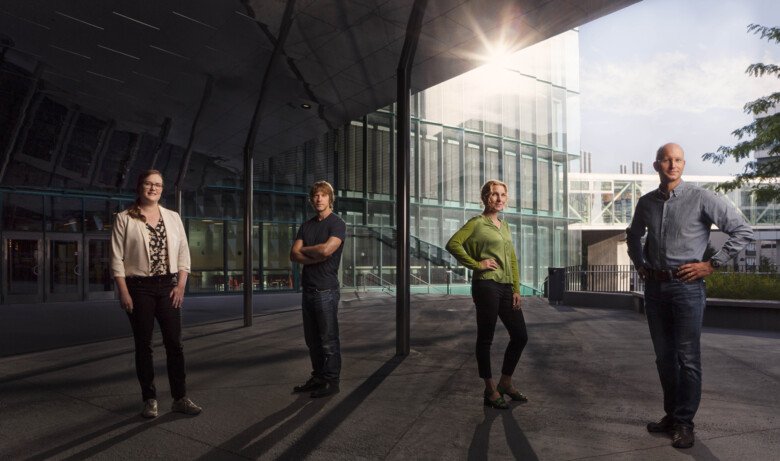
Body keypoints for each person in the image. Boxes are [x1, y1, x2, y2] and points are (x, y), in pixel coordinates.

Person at [626, 143, 753, 448]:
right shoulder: (645, 203)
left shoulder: (701, 197)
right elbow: (633, 234)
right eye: (667, 160)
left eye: (678, 160)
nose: (673, 164)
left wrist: (712, 264)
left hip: (687, 289)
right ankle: (671, 415)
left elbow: (742, 231)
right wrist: (640, 264)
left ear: (683, 164)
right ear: (657, 165)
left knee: (687, 359)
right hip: (655, 289)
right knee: (664, 358)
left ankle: (685, 422)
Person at [111, 170, 202, 418]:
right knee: (144, 345)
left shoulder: (172, 217)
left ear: (163, 189)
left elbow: (184, 254)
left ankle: (180, 397)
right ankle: (149, 399)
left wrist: (180, 285)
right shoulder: (124, 218)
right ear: (140, 186)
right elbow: (117, 259)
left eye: (158, 185)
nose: (153, 188)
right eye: (149, 184)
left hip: (168, 286)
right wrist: (124, 292)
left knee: (175, 344)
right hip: (138, 288)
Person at [446, 179, 529, 409]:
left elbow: (511, 259)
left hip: (505, 287)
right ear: (485, 198)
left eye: (503, 194)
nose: (499, 198)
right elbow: (453, 244)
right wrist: (477, 265)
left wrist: (516, 288)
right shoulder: (476, 223)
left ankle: (505, 383)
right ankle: (490, 389)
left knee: (520, 336)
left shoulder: (505, 226)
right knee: (486, 338)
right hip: (486, 286)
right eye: (494, 194)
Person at [289, 180, 346, 398]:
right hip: (308, 290)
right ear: (312, 199)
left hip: (326, 291)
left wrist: (308, 252)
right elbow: (293, 255)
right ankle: (318, 376)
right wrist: (317, 255)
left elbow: (326, 250)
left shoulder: (337, 224)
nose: (319, 198)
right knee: (312, 340)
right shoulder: (306, 225)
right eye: (315, 195)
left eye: (323, 195)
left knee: (328, 339)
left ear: (330, 198)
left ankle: (332, 381)